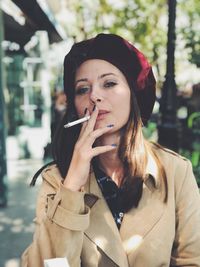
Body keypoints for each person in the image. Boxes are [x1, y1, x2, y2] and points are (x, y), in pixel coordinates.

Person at [21, 33, 200, 267]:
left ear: (133, 94)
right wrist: (72, 186)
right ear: (75, 107)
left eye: (109, 83)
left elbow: (192, 260)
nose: (94, 95)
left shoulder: (176, 171)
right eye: (83, 89)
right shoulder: (57, 180)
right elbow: (50, 264)